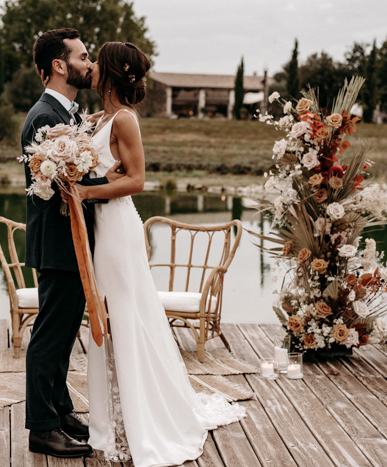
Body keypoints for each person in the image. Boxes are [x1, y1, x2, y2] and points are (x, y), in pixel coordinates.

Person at [74, 42, 247, 467]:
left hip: (117, 229)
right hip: (98, 226)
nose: (90, 67)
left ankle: (141, 418)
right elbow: (102, 168)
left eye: (96, 61)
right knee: (106, 314)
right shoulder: (99, 117)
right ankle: (110, 418)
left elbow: (136, 181)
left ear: (112, 72)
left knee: (125, 315)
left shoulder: (126, 120)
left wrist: (84, 190)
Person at [21, 28, 123, 458]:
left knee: (63, 335)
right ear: (59, 65)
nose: (89, 63)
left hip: (70, 242)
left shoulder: (66, 113)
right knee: (50, 335)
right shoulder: (45, 117)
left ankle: (60, 410)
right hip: (60, 243)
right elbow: (62, 185)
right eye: (82, 56)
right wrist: (108, 180)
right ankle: (42, 428)